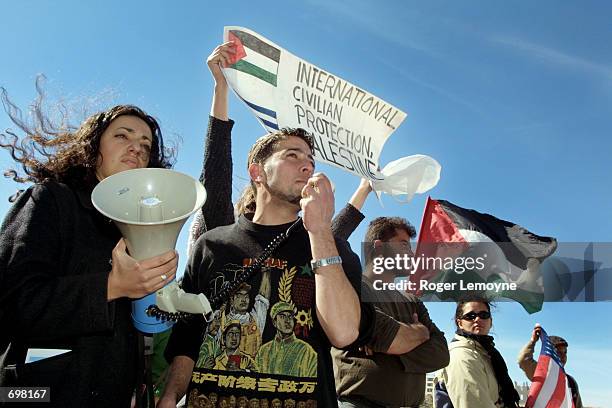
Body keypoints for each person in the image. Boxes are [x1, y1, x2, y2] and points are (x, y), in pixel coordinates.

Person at [159, 118, 373, 406]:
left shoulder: (332, 248)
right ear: (257, 172)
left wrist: (321, 231)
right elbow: (188, 333)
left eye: (311, 160)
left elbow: (345, 331)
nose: (307, 166)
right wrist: (172, 394)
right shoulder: (211, 245)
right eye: (292, 155)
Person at [0, 84, 179, 407]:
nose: (136, 148)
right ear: (93, 146)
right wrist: (110, 286)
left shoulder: (132, 228)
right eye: (122, 136)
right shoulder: (50, 200)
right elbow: (13, 302)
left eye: (145, 145)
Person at [333, 216, 450, 408]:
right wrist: (419, 335)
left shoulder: (412, 300)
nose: (411, 253)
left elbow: (440, 354)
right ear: (379, 247)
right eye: (404, 245)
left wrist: (385, 345)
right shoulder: (351, 287)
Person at [435, 296, 520, 408]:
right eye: (470, 316)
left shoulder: (487, 355)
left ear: (490, 321)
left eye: (483, 315)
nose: (477, 319)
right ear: (459, 323)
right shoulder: (462, 356)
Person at [517, 325, 583, 408]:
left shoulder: (571, 382)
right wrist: (533, 341)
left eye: (565, 352)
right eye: (558, 352)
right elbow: (523, 360)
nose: (563, 356)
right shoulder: (543, 374)